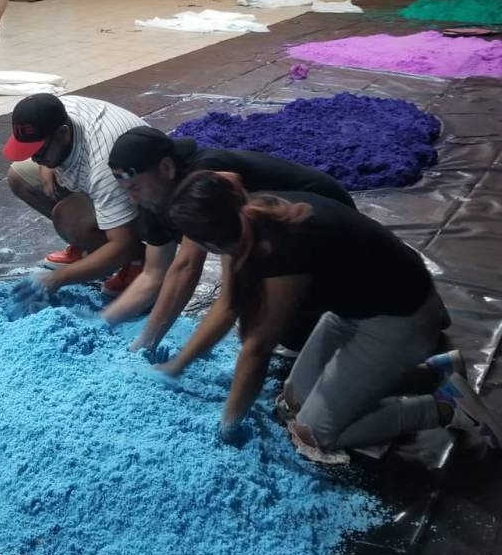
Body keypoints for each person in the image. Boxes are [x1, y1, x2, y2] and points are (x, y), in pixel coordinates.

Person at [158, 171, 502, 456]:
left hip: (400, 318)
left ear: (213, 243)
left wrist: (228, 428)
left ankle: (445, 406)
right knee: (291, 401)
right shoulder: (247, 213)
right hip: (354, 307)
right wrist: (176, 365)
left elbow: (258, 348)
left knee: (314, 434)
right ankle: (429, 374)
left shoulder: (278, 247)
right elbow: (229, 306)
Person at [102, 126, 356, 353]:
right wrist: (104, 322)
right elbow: (152, 274)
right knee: (273, 317)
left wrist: (148, 344)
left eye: (135, 188)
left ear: (167, 168)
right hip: (274, 238)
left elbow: (187, 267)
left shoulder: (204, 178)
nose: (133, 199)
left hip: (323, 220)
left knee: (280, 322)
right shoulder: (151, 198)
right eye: (126, 191)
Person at [5, 94, 145, 299]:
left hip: (142, 194)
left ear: (62, 134)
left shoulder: (103, 165)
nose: (34, 158)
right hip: (98, 176)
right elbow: (44, 152)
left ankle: (139, 259)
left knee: (69, 219)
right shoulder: (59, 110)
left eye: (39, 152)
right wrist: (46, 163)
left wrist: (58, 278)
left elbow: (121, 244)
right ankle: (89, 245)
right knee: (18, 177)